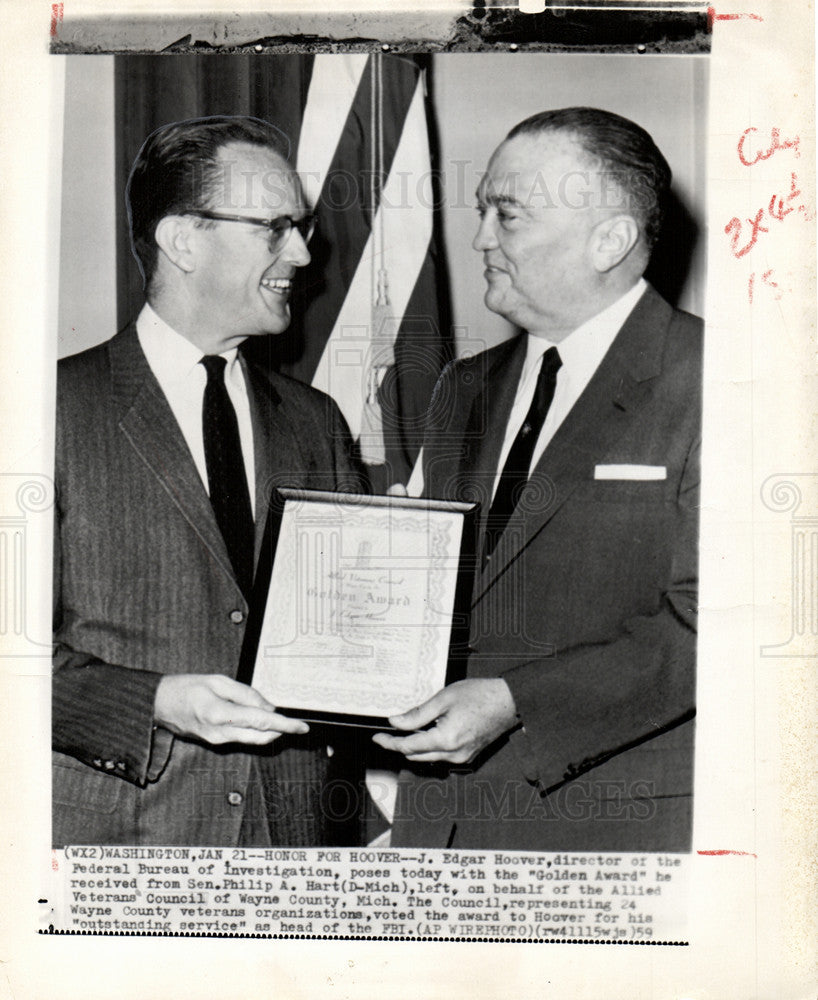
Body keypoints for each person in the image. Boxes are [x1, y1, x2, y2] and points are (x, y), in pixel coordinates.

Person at [375, 107, 701, 852]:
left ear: (610, 240)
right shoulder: (462, 386)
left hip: (609, 829)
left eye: (508, 214)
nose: (481, 237)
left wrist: (516, 702)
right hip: (440, 828)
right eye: (482, 208)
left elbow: (712, 626)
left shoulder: (722, 380)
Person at [53, 116, 366, 847]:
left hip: (293, 845)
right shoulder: (46, 409)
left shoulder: (315, 422)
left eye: (303, 226)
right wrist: (155, 702)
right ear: (182, 240)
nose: (304, 252)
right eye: (276, 227)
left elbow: (348, 640)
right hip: (125, 848)